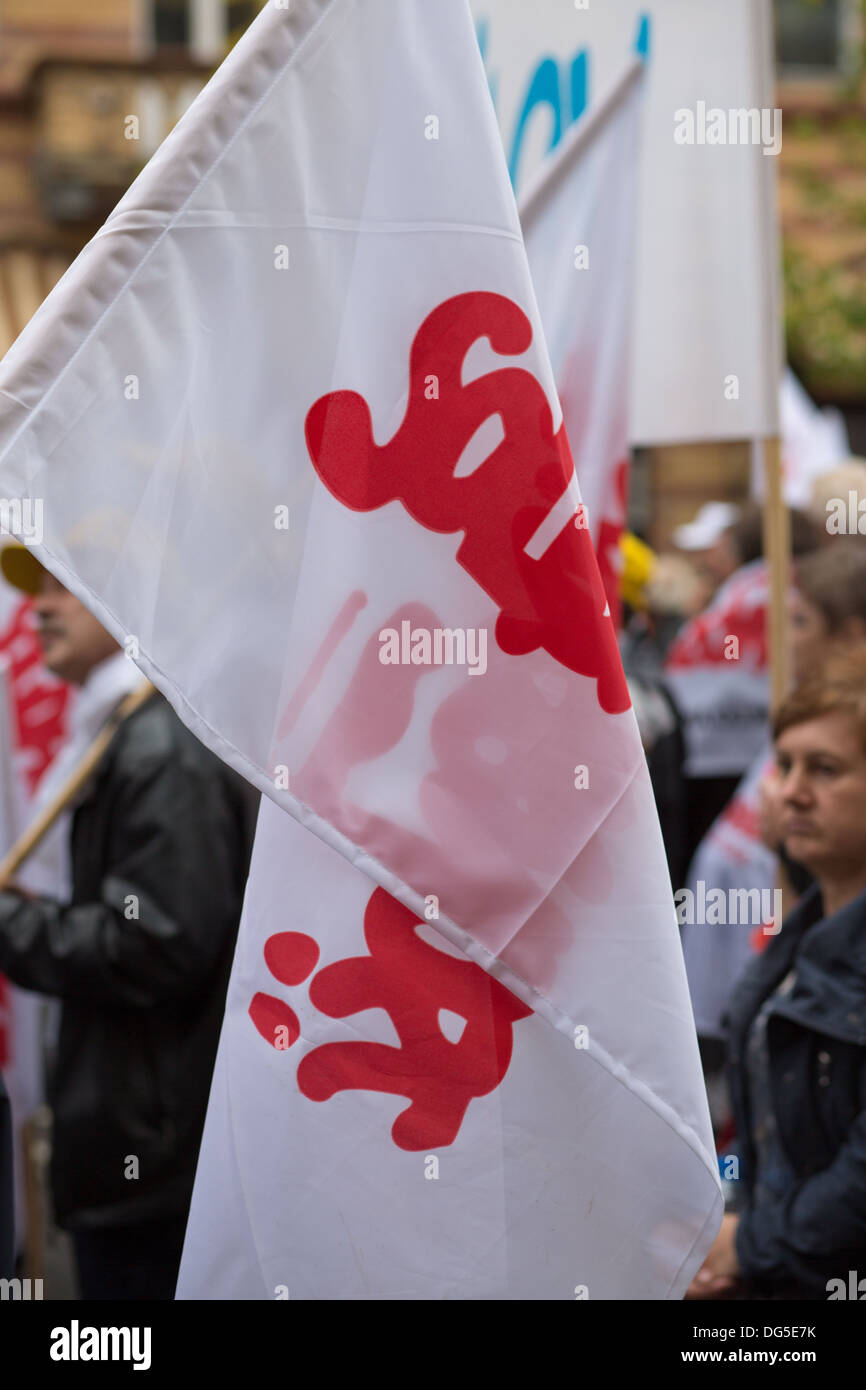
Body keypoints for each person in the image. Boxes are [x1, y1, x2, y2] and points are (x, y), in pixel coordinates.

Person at [0, 548, 258, 1299]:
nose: (39, 608)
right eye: (37, 590)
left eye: (65, 590)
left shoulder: (159, 748)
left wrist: (11, 928)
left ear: (129, 605)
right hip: (129, 1151)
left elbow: (154, 941)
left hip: (150, 1163)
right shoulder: (117, 734)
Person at [687, 645, 866, 1298]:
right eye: (784, 764)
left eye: (825, 769)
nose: (789, 790)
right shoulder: (805, 929)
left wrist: (747, 1248)